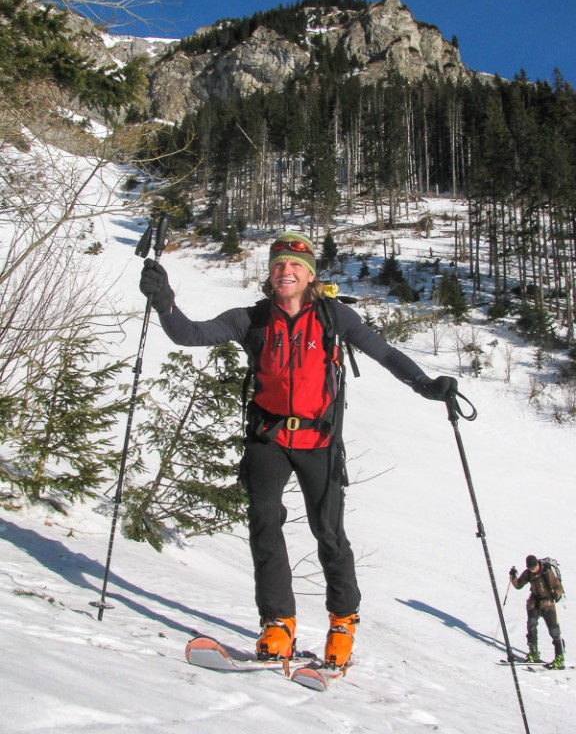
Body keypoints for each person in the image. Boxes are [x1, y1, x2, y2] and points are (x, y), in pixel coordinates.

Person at [140, 231, 458, 669]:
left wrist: (425, 384)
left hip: (319, 440)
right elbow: (188, 333)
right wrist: (164, 301)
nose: (285, 271)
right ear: (270, 274)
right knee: (264, 522)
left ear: (310, 275)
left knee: (328, 533)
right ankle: (278, 622)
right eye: (278, 265)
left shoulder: (333, 316)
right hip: (268, 438)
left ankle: (343, 621)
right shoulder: (251, 319)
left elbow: (384, 353)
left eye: (295, 265)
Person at [509, 555, 565, 668]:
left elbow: (559, 587)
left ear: (537, 564)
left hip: (547, 603)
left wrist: (556, 594)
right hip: (534, 603)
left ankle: (560, 657)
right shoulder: (528, 573)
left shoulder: (547, 572)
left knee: (554, 630)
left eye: (533, 567)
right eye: (530, 568)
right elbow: (518, 585)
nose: (532, 570)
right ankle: (533, 652)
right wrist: (513, 576)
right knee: (531, 625)